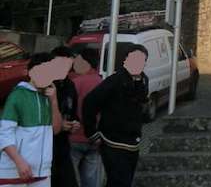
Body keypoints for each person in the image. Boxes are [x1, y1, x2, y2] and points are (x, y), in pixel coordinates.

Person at [82, 44, 149, 187]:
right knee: (118, 182)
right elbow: (90, 102)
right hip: (112, 141)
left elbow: (140, 103)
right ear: (125, 60)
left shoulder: (143, 80)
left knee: (125, 181)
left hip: (132, 142)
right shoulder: (114, 80)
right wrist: (92, 132)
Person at [0, 52, 67, 187]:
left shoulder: (49, 96)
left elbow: (56, 129)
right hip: (14, 171)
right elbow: (4, 133)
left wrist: (54, 102)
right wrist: (19, 162)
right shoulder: (17, 95)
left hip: (42, 172)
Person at [68, 49, 103, 187]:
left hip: (74, 136)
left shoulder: (75, 83)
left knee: (69, 178)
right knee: (91, 180)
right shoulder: (102, 82)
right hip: (95, 138)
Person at [48, 48, 78, 187]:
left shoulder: (70, 85)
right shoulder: (44, 85)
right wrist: (57, 124)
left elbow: (73, 111)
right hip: (46, 147)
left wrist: (75, 123)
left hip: (63, 146)